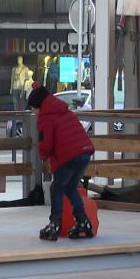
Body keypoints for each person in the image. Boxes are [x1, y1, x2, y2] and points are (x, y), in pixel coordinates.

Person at [27, 81, 95, 241]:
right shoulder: (63, 110)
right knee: (70, 188)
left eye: (33, 109)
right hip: (85, 151)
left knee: (56, 189)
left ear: (38, 106)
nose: (34, 112)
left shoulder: (45, 116)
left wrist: (43, 156)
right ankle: (82, 222)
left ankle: (54, 224)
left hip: (69, 155)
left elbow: (46, 143)